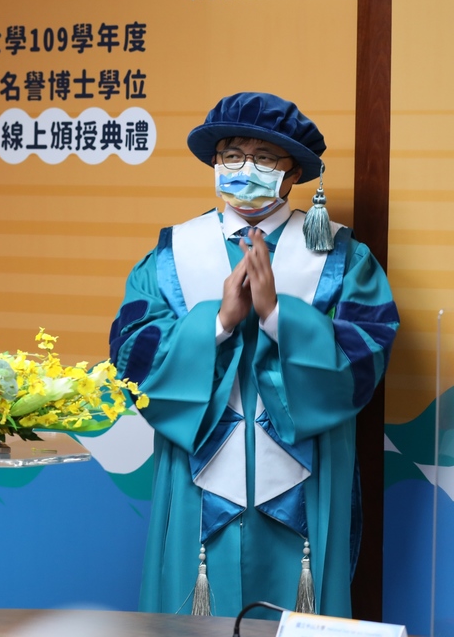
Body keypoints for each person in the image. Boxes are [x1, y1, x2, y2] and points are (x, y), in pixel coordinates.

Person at [108, 92, 398, 618]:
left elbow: (366, 353)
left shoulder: (341, 258)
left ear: (293, 176)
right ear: (215, 164)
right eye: (231, 155)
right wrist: (218, 323)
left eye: (264, 159)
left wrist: (277, 317)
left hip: (303, 476)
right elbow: (133, 353)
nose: (244, 170)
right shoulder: (173, 253)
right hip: (201, 471)